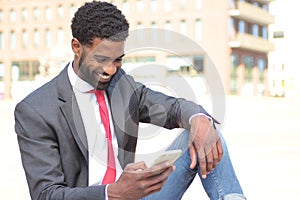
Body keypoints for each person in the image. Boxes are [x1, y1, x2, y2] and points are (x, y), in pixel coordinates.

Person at [14, 1, 246, 200]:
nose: (110, 69)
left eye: (118, 60)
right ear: (77, 47)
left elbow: (172, 108)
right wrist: (112, 193)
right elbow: (47, 194)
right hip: (104, 196)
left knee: (205, 132)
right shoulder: (36, 110)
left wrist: (199, 117)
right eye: (102, 59)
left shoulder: (121, 85)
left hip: (135, 195)